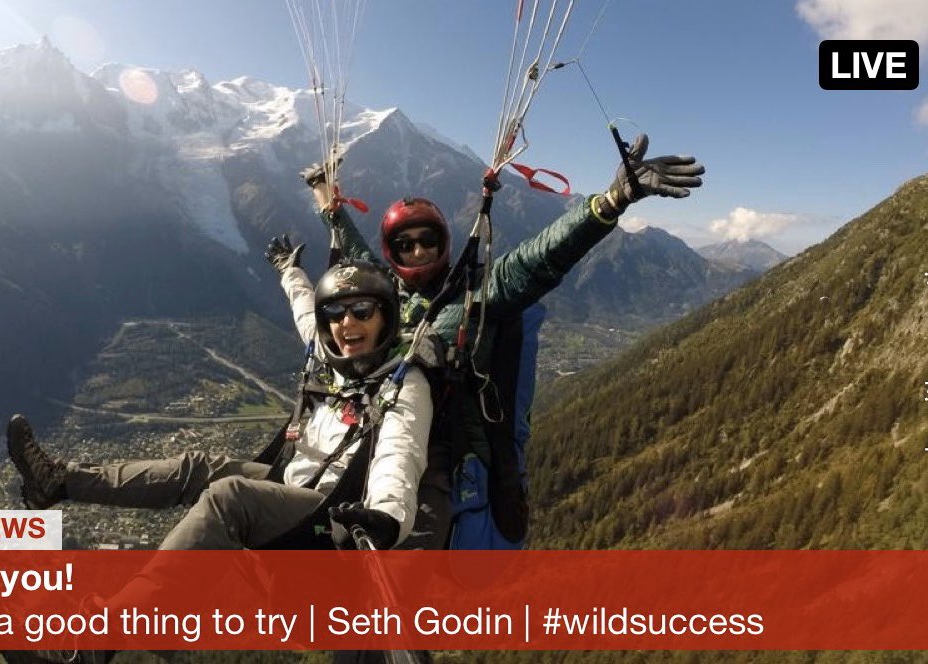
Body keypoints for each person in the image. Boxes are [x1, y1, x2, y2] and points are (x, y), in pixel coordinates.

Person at [268, 133, 705, 550]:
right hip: (378, 438)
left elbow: (537, 260)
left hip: (447, 456)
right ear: (392, 254)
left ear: (444, 244)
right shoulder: (385, 297)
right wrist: (327, 200)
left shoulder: (475, 298)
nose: (417, 253)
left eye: (427, 242)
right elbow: (357, 257)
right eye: (405, 246)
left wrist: (611, 201)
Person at [7, 260, 433, 553]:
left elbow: (401, 453)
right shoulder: (335, 359)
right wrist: (290, 272)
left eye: (362, 310)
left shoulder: (403, 384)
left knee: (229, 496)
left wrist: (385, 520)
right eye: (337, 314)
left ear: (387, 318)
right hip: (296, 483)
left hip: (328, 519)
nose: (347, 324)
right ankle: (57, 482)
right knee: (199, 467)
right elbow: (306, 312)